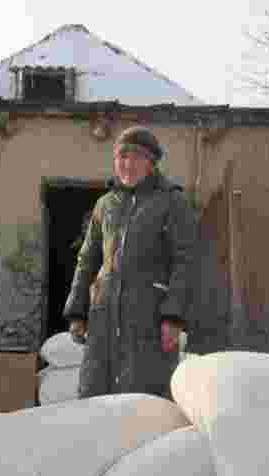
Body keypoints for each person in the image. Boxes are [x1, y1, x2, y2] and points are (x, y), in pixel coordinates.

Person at [63, 126, 197, 399]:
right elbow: (87, 259)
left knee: (142, 393)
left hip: (148, 315)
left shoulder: (172, 202)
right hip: (104, 313)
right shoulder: (105, 204)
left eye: (137, 157)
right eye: (122, 157)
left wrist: (173, 316)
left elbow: (186, 261)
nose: (128, 164)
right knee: (95, 390)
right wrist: (77, 311)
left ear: (152, 162)